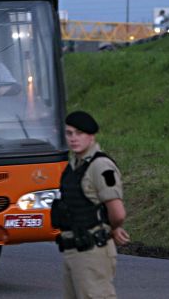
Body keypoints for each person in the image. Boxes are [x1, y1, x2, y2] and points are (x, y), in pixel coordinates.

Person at [52, 111, 130, 299]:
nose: (73, 138)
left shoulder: (101, 166)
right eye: (69, 133)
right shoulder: (74, 166)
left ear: (91, 136)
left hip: (92, 250)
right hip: (73, 248)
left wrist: (113, 227)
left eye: (79, 133)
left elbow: (117, 212)